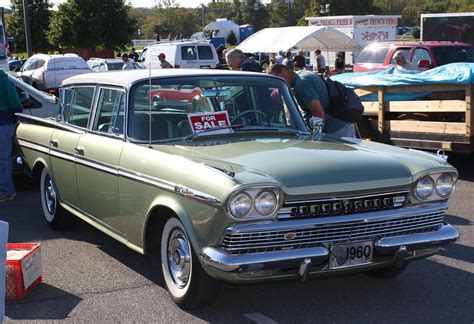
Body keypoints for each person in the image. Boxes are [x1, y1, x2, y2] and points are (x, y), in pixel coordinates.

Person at [267, 64, 354, 137]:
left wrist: (315, 138)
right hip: (340, 125)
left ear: (284, 71)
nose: (277, 83)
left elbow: (318, 112)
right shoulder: (303, 75)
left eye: (277, 78)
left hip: (335, 130)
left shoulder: (302, 84)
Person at [0, 69, 22, 203]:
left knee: (2, 159)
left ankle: (6, 192)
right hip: (4, 123)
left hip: (3, 125)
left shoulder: (4, 81)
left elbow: (16, 105)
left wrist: (14, 125)